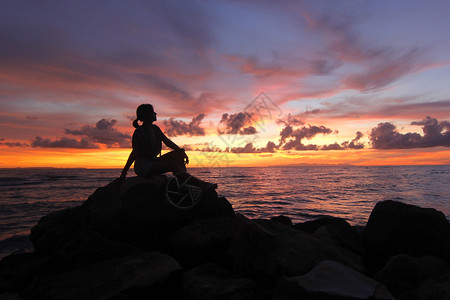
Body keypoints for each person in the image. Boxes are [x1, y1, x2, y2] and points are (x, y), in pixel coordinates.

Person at [119, 104, 216, 189]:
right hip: (144, 167)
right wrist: (124, 172)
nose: (155, 113)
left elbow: (167, 142)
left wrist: (181, 151)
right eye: (153, 112)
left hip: (153, 162)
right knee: (172, 165)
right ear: (147, 115)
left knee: (178, 153)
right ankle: (198, 184)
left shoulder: (155, 129)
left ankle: (183, 181)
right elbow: (134, 153)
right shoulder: (139, 133)